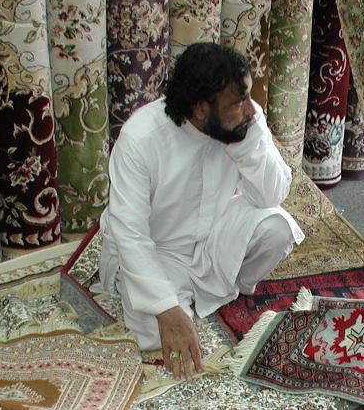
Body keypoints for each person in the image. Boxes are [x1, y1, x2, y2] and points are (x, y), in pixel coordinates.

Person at [98, 42, 304, 379]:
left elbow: (272, 194)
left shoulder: (243, 121)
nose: (251, 109)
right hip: (161, 251)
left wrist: (245, 142)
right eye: (238, 102)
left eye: (247, 96)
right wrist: (166, 309)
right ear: (200, 109)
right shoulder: (141, 138)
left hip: (214, 236)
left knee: (277, 229)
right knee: (153, 333)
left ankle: (215, 294)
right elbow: (130, 234)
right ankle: (183, 299)